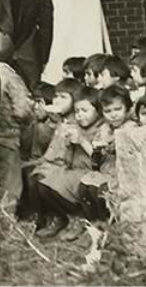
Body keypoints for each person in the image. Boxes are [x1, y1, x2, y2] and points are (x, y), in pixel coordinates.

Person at [31, 87, 104, 239]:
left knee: (62, 183)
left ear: (98, 110)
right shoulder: (75, 126)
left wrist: (82, 141)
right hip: (72, 169)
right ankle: (63, 216)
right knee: (44, 183)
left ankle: (80, 218)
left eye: (85, 110)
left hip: (91, 172)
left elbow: (99, 159)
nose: (80, 115)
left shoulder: (101, 129)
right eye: (77, 111)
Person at [0, 32, 32, 214]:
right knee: (9, 186)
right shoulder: (11, 76)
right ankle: (5, 223)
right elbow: (22, 110)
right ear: (12, 54)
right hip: (7, 137)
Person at [78, 85, 137, 222]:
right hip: (106, 169)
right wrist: (98, 149)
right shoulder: (104, 128)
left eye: (118, 109)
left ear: (127, 108)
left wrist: (113, 147)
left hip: (123, 173)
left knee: (101, 192)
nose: (113, 114)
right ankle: (95, 223)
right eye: (108, 111)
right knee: (84, 188)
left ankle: (110, 224)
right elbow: (96, 156)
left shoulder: (131, 127)